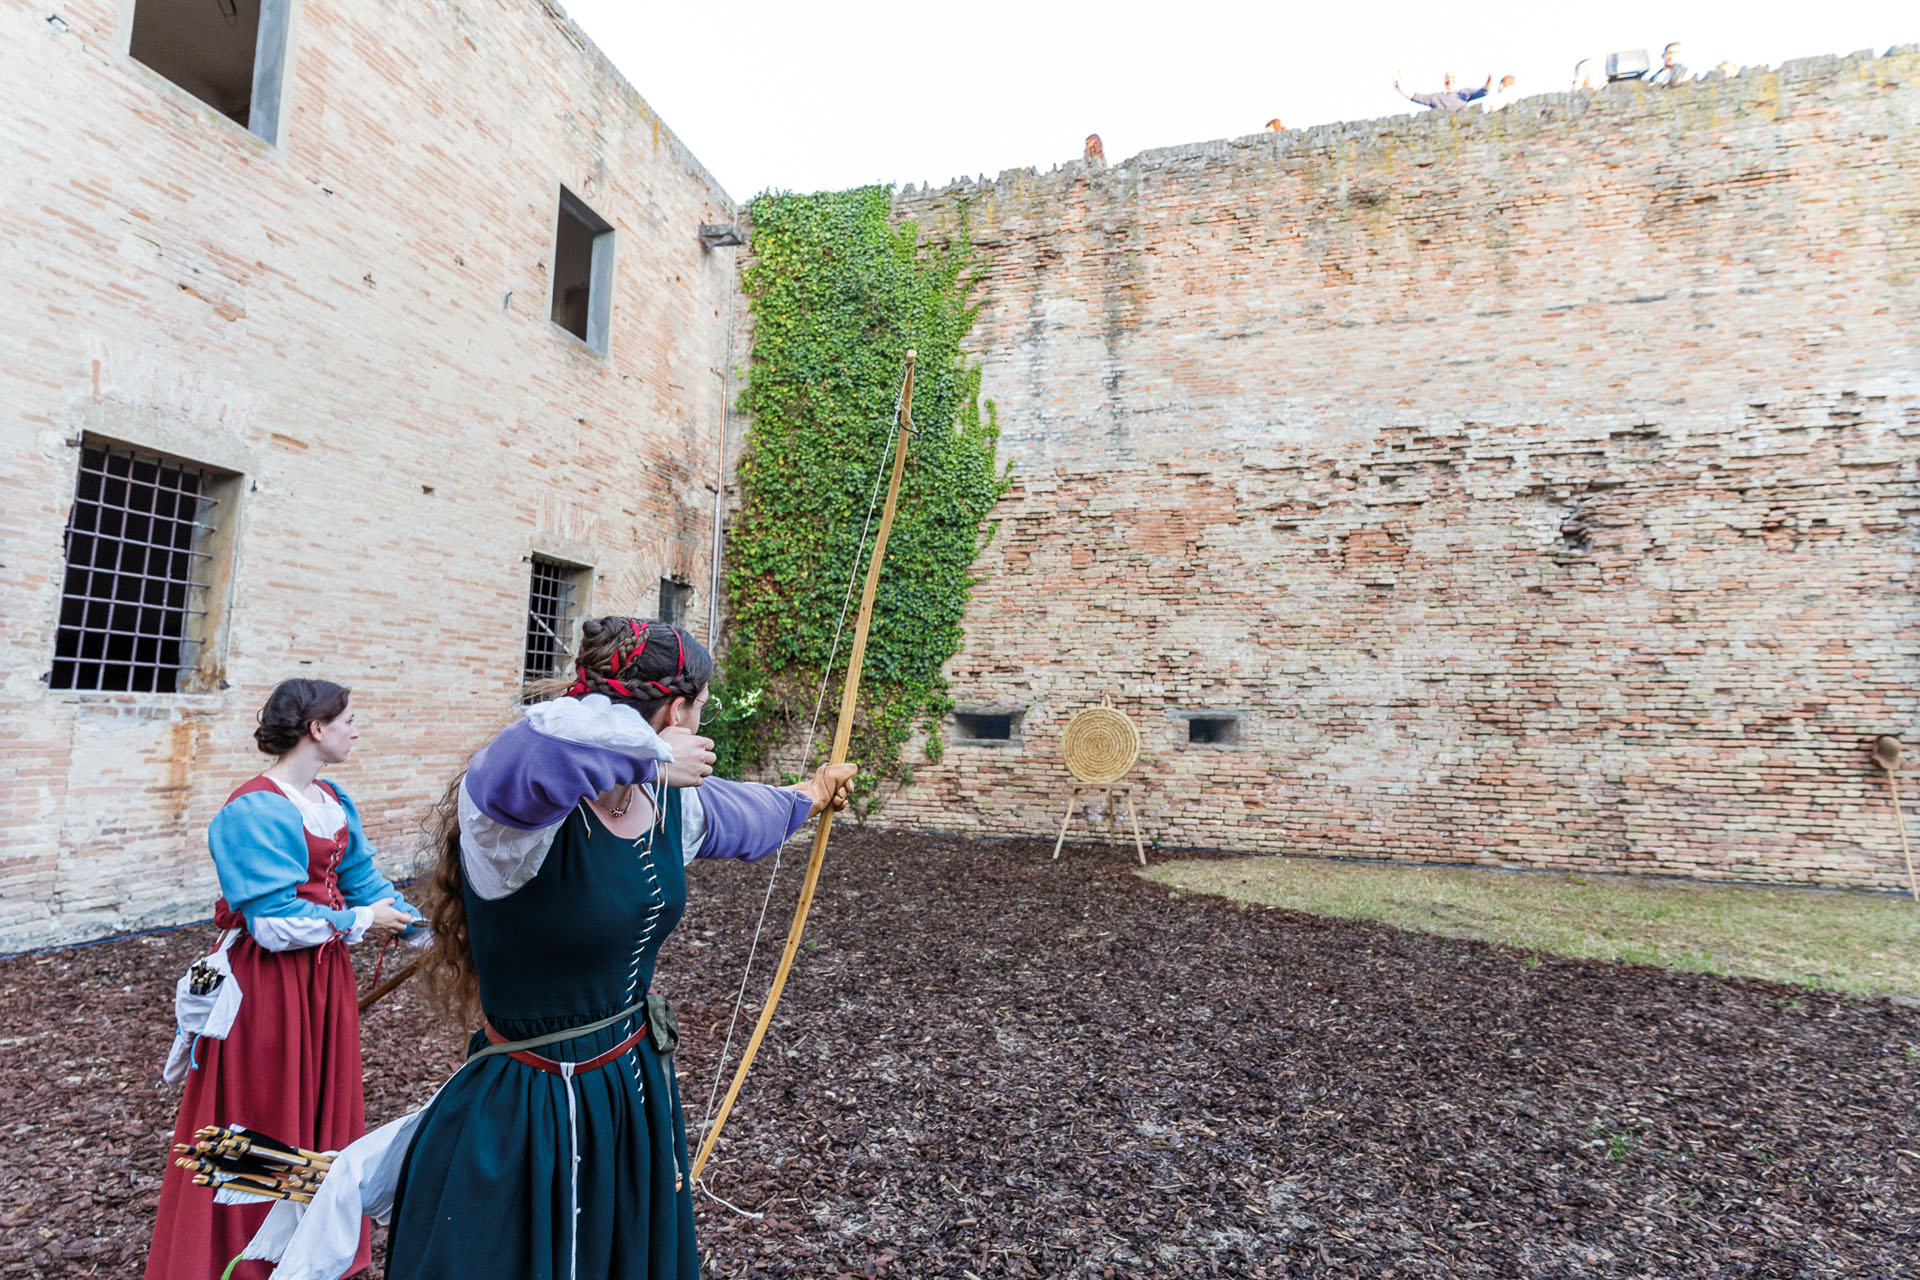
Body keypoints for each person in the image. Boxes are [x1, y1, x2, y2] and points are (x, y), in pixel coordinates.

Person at [382, 617, 857, 1280]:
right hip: (530, 1102)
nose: (696, 726)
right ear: (674, 709)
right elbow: (525, 754)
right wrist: (652, 753)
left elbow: (750, 815)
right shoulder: (517, 817)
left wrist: (812, 793)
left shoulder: (661, 802)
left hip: (627, 1087)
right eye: (695, 710)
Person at [145, 679, 423, 1280]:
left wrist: (422, 931)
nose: (357, 729)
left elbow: (365, 882)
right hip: (268, 991)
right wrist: (360, 921)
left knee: (313, 1112)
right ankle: (237, 1257)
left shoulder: (330, 799)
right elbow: (272, 924)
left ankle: (302, 1255)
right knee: (263, 1113)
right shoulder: (253, 808)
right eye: (348, 719)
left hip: (320, 986)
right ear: (316, 729)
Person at [1394, 69, 1491, 112]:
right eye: (1447, 78)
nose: (1449, 80)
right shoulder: (1436, 97)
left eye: (1452, 77)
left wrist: (1490, 78)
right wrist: (1400, 87)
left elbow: (1484, 91)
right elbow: (1415, 97)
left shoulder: (1464, 93)